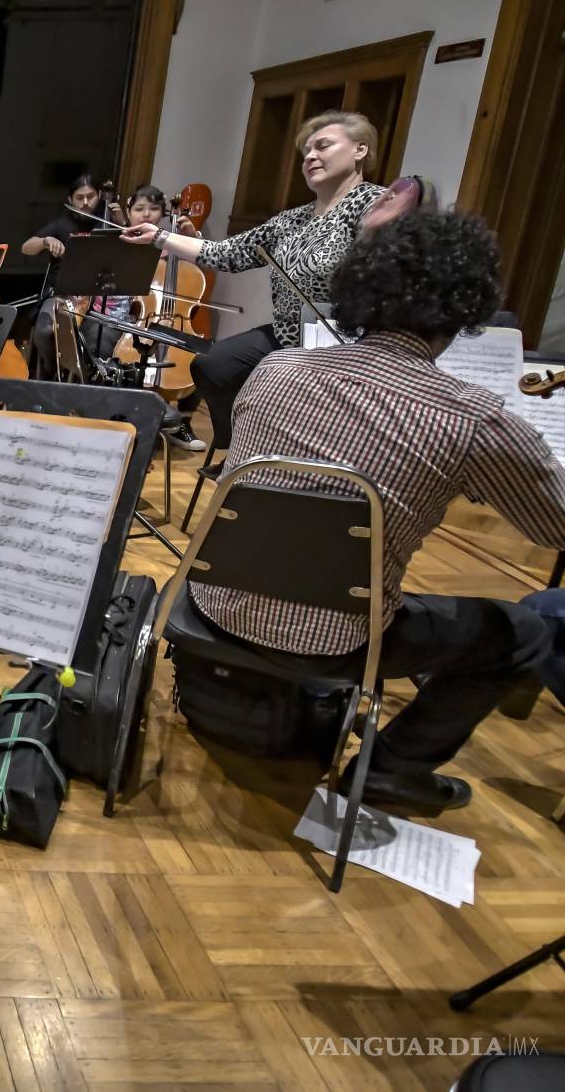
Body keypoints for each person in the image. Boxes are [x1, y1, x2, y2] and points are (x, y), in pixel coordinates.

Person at [190, 210, 565, 814]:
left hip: (212, 602)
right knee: (521, 631)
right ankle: (393, 768)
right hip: (341, 637)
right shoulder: (474, 419)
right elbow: (555, 527)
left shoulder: (273, 370)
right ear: (468, 307)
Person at [122, 111, 386, 447]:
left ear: (360, 150)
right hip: (286, 335)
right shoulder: (293, 219)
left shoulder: (375, 206)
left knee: (276, 384)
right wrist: (159, 236)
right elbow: (227, 253)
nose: (310, 157)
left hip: (344, 340)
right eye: (306, 152)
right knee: (213, 366)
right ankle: (242, 448)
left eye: (323, 146)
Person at [98, 184, 206, 451]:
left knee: (203, 359)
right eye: (140, 208)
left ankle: (183, 423)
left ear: (163, 213)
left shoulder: (175, 245)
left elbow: (196, 274)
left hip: (173, 320)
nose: (147, 214)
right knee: (107, 344)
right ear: (128, 210)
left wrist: (192, 239)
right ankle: (124, 413)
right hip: (129, 319)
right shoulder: (120, 242)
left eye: (154, 209)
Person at [20, 173, 105, 378]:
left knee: (95, 338)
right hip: (61, 294)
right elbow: (26, 248)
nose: (85, 203)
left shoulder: (106, 224)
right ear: (70, 200)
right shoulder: (60, 225)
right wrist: (46, 241)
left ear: (100, 195)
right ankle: (52, 371)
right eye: (79, 197)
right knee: (44, 331)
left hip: (99, 298)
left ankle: (87, 376)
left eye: (91, 196)